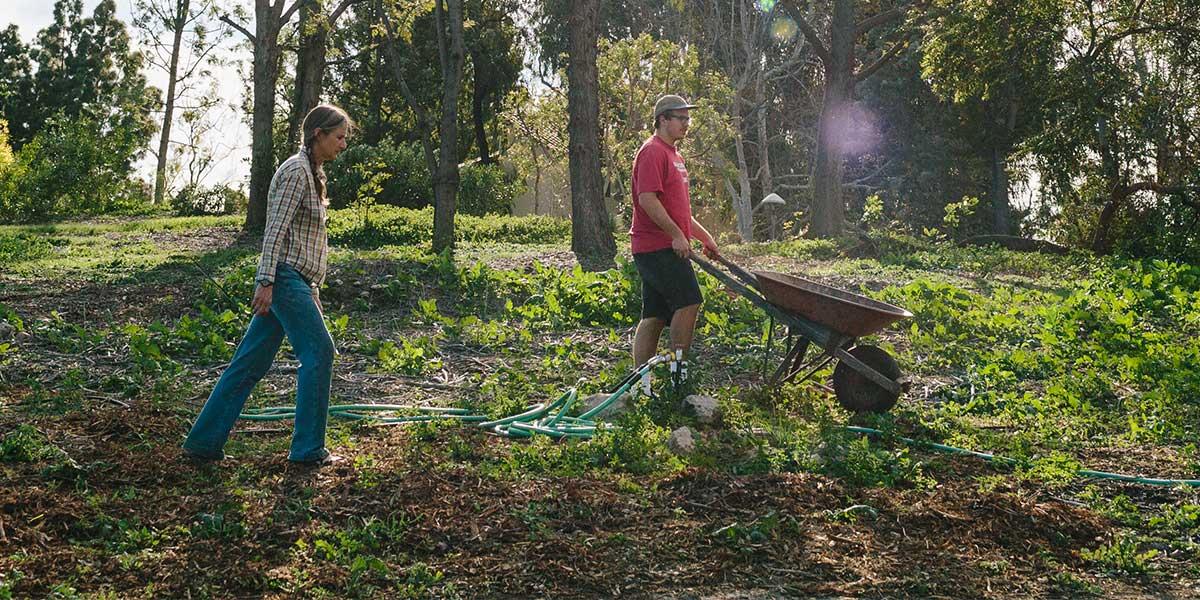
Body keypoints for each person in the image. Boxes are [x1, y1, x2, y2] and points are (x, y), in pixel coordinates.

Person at [183, 104, 352, 465]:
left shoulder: (313, 173)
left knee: (249, 362)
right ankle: (307, 450)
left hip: (295, 281)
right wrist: (266, 281)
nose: (343, 145)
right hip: (284, 278)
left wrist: (313, 292)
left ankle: (203, 443)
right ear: (318, 134)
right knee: (320, 352)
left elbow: (303, 240)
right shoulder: (295, 171)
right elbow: (275, 230)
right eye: (339, 137)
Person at [630, 94, 720, 375]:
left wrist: (705, 237)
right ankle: (679, 374)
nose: (686, 124)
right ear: (662, 119)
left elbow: (680, 212)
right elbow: (647, 199)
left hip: (663, 244)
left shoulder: (675, 155)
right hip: (656, 246)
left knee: (655, 316)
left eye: (687, 118)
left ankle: (639, 380)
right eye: (680, 118)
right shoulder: (652, 151)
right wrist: (675, 236)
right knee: (689, 301)